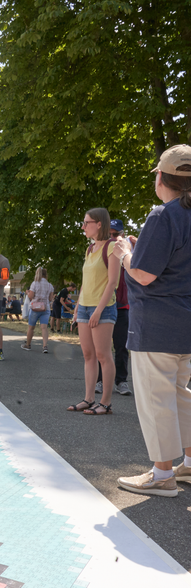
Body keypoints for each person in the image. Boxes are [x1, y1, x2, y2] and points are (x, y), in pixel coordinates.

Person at [116, 145, 191, 497]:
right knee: (182, 395)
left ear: (162, 178)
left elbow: (144, 275)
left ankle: (162, 475)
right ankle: (189, 462)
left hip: (157, 324)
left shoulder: (164, 215)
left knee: (158, 398)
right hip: (187, 322)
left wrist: (126, 254)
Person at [67, 208, 119, 415]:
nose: (83, 226)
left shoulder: (112, 247)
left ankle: (105, 402)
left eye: (86, 222)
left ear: (99, 224)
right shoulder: (89, 249)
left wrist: (98, 310)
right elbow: (86, 282)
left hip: (103, 308)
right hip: (85, 308)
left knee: (103, 355)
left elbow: (113, 282)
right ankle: (89, 399)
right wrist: (78, 306)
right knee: (88, 354)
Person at [95, 219, 133, 397]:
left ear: (122, 234)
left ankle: (121, 381)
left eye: (115, 234)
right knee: (102, 348)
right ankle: (100, 380)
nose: (112, 237)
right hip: (105, 305)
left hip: (123, 307)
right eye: (109, 234)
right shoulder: (101, 251)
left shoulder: (129, 252)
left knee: (121, 346)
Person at [21, 268, 54, 353]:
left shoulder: (34, 283)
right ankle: (45, 346)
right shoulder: (50, 285)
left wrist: (28, 293)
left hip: (35, 308)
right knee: (44, 328)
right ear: (46, 275)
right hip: (45, 308)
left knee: (31, 327)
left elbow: (31, 296)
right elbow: (50, 298)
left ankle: (28, 345)